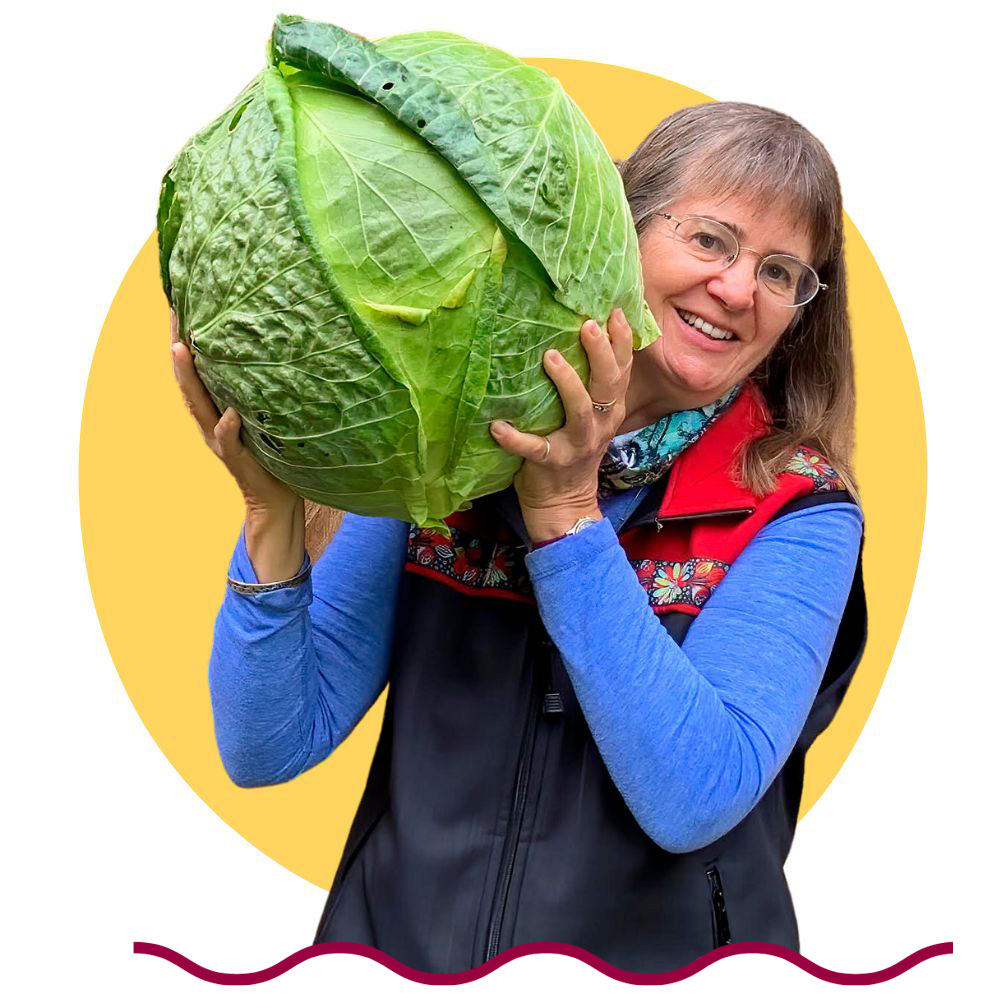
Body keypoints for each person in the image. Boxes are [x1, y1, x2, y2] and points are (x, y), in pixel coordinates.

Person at [170, 101, 866, 974]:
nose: (736, 289)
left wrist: (568, 515)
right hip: (401, 966)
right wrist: (274, 518)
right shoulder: (460, 437)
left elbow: (698, 794)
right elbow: (269, 744)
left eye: (779, 271)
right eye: (712, 240)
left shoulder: (798, 509)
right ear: (623, 227)